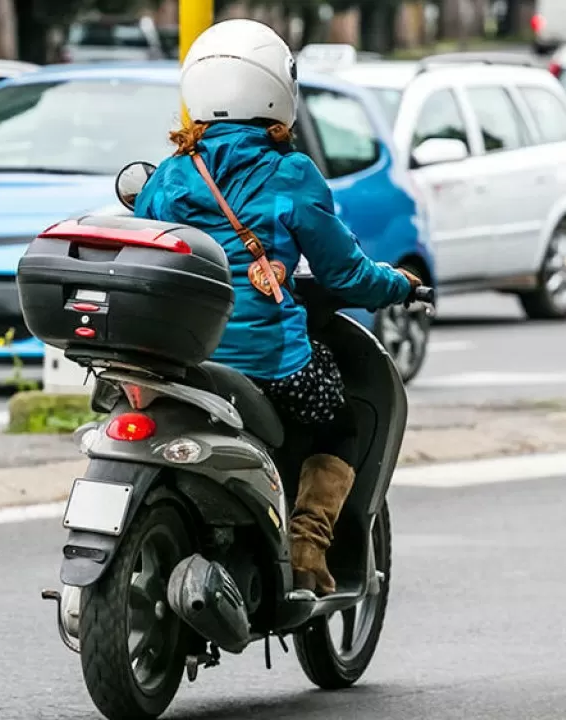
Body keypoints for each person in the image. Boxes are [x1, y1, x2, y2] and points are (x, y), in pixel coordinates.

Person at [132, 18, 419, 596]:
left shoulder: (167, 176)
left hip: (179, 360)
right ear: (275, 90)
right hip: (269, 362)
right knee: (342, 421)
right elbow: (346, 274)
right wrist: (399, 286)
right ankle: (309, 544)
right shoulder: (290, 173)